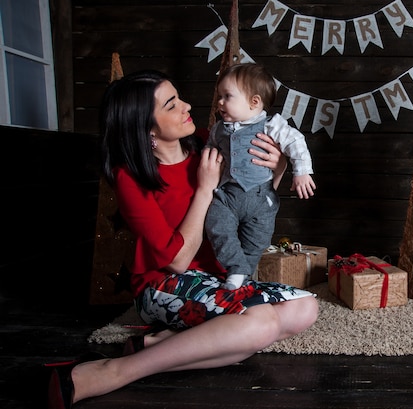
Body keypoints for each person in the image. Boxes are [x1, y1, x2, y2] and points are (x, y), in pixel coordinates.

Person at [46, 69, 319, 409]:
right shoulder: (131, 178)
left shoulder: (212, 140)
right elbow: (176, 259)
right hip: (163, 283)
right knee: (261, 326)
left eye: (180, 97)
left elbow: (248, 206)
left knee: (304, 308)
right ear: (146, 127)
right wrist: (204, 189)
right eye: (172, 104)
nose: (187, 105)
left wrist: (275, 168)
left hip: (219, 277)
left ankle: (164, 344)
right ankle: (115, 370)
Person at [205, 63, 317, 290]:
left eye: (227, 97)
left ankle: (241, 278)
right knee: (217, 226)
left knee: (258, 241)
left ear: (254, 102)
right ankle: (237, 269)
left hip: (261, 197)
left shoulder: (270, 125)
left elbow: (296, 142)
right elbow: (209, 153)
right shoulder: (218, 129)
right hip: (227, 195)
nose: (220, 102)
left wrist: (302, 171)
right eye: (219, 96)